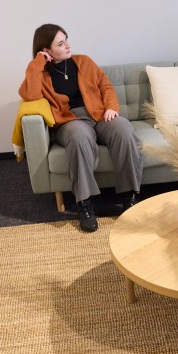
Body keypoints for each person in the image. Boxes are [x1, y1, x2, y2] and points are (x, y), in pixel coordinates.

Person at [18, 24, 143, 233]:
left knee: (123, 129)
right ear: (46, 50)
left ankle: (129, 196)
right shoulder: (42, 75)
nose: (68, 45)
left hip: (99, 114)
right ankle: (85, 204)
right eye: (60, 43)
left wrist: (112, 107)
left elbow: (106, 86)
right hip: (70, 121)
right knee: (78, 137)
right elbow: (29, 94)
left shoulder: (83, 61)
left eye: (66, 39)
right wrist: (39, 62)